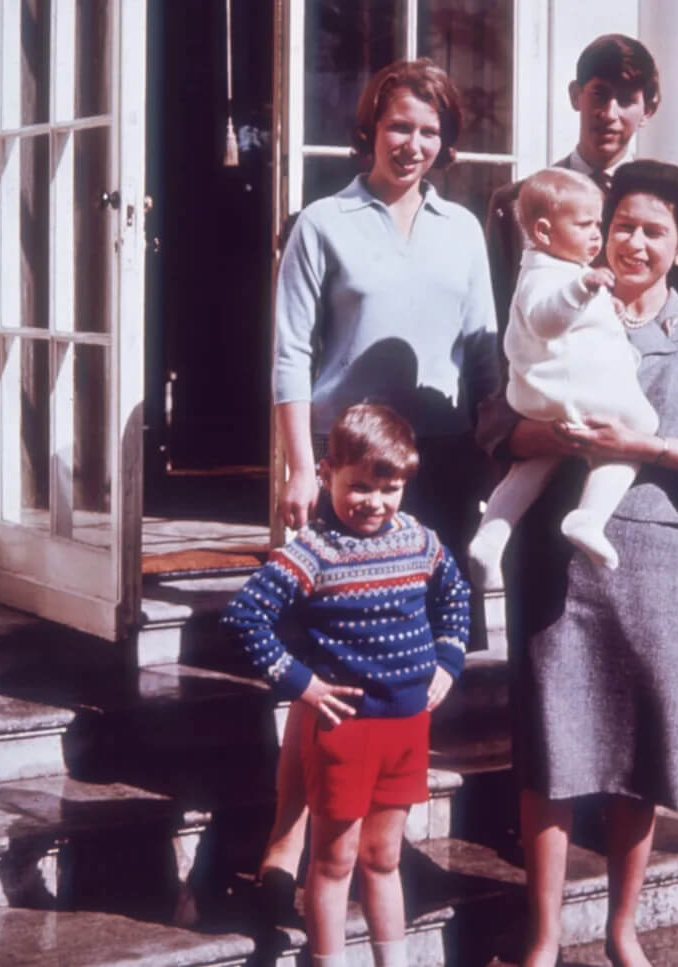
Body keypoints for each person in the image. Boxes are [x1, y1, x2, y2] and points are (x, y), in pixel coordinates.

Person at [481, 160, 678, 967]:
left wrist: (644, 446)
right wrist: (553, 438)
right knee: (549, 747)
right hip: (554, 556)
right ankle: (542, 936)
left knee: (642, 747)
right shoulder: (557, 304)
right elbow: (497, 422)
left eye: (653, 230)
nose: (633, 242)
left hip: (649, 550)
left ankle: (621, 927)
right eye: (623, 225)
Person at [262, 58, 498, 919]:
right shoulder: (324, 222)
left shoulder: (463, 229)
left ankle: (386, 836)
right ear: (372, 126)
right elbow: (289, 352)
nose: (415, 144)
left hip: (434, 468)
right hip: (344, 468)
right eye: (401, 126)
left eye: (431, 132)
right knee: (324, 669)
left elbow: (482, 347)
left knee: (404, 664)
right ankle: (290, 839)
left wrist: (504, 436)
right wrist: (300, 468)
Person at [221, 403, 469, 967]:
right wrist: (302, 684)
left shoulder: (419, 540)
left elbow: (456, 596)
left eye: (391, 489)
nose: (375, 504)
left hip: (407, 727)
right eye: (359, 487)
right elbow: (244, 617)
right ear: (328, 471)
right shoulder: (312, 550)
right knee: (333, 862)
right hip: (343, 730)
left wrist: (448, 661)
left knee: (383, 857)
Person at [468, 167, 658, 587]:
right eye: (585, 224)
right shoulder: (546, 275)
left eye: (598, 223)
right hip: (567, 389)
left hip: (549, 395)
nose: (596, 234)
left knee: (535, 464)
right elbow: (546, 320)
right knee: (641, 427)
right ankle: (589, 517)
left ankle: (491, 535)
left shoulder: (557, 268)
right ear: (543, 230)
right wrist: (584, 287)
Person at [484, 34, 678, 341]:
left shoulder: (676, 199)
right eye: (599, 95)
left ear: (648, 109)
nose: (609, 114)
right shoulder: (518, 202)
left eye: (626, 100)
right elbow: (501, 321)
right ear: (575, 96)